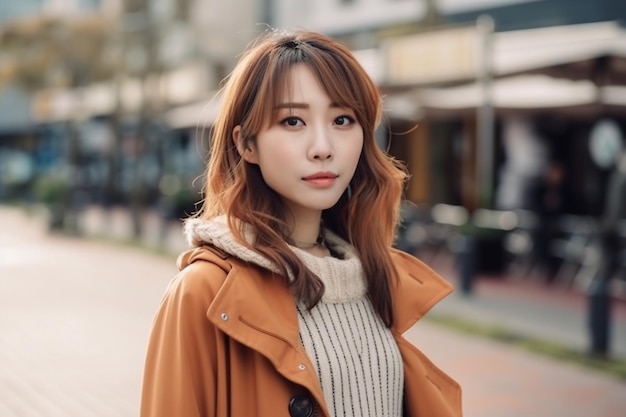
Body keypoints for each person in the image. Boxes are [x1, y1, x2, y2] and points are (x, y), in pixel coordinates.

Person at [140, 29, 461, 417]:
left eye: (343, 119)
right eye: (293, 121)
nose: (323, 147)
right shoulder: (206, 292)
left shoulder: (374, 278)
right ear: (246, 144)